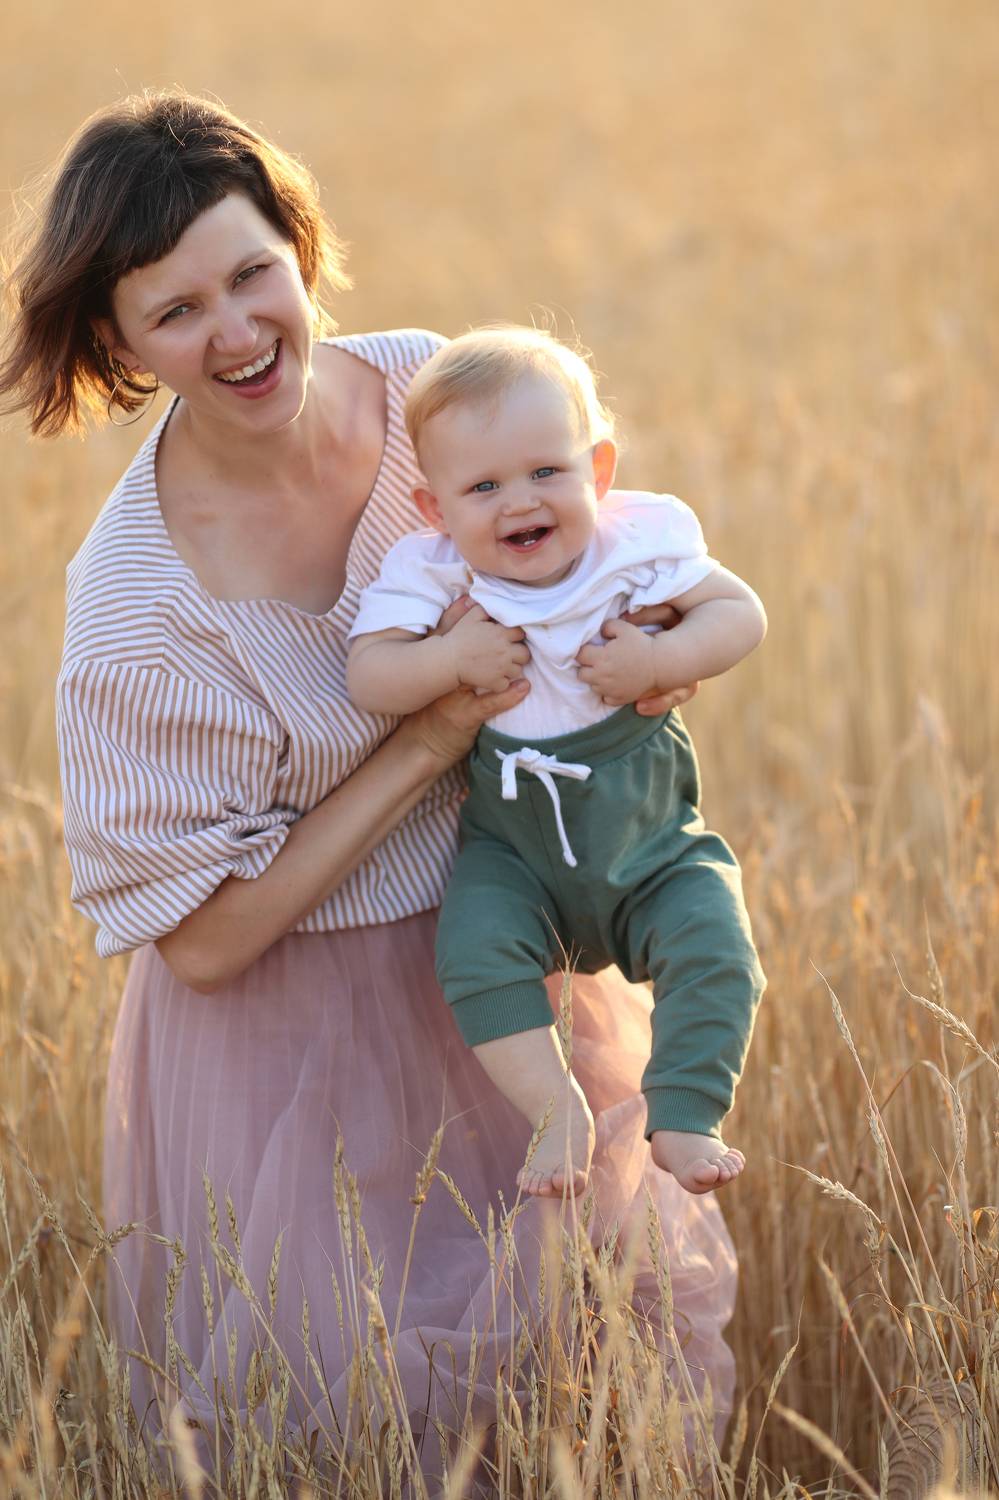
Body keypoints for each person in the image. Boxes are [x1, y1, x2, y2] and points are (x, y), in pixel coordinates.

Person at [0, 92, 740, 1476]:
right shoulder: (135, 609)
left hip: (505, 965)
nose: (236, 331)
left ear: (298, 246)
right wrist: (426, 744)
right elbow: (203, 943)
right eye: (175, 312)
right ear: (116, 340)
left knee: (578, 1384)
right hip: (292, 1051)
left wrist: (637, 654)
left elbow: (584, 548)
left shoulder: (424, 396)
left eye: (251, 273)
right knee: (363, 1425)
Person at [346, 327, 767, 1202]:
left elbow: (739, 614)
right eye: (483, 487)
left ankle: (686, 1108)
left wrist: (662, 659)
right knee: (473, 951)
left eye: (545, 471)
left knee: (716, 943)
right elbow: (370, 675)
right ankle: (554, 1112)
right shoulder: (433, 571)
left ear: (597, 471)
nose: (518, 503)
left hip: (649, 841)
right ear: (434, 509)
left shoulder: (635, 544)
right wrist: (448, 660)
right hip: (515, 849)